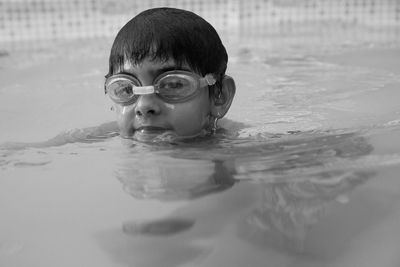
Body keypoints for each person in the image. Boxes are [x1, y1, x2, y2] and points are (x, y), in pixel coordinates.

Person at [104, 7, 236, 142]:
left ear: (219, 96)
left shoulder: (243, 153)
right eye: (126, 89)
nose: (143, 106)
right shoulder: (98, 140)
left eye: (173, 85)